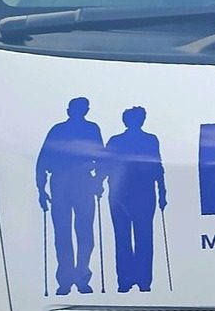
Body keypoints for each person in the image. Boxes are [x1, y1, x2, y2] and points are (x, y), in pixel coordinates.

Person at [35, 97, 103, 295]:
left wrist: (98, 181)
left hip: (83, 183)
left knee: (85, 233)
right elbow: (43, 160)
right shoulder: (58, 130)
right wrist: (41, 190)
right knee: (62, 233)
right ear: (68, 110)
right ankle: (65, 280)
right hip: (61, 183)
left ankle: (82, 277)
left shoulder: (91, 129)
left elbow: (101, 158)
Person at [103, 107, 167, 293]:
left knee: (139, 237)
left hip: (139, 193)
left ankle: (140, 280)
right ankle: (128, 280)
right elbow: (107, 165)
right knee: (130, 238)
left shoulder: (149, 139)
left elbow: (157, 166)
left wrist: (162, 192)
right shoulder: (118, 140)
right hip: (123, 194)